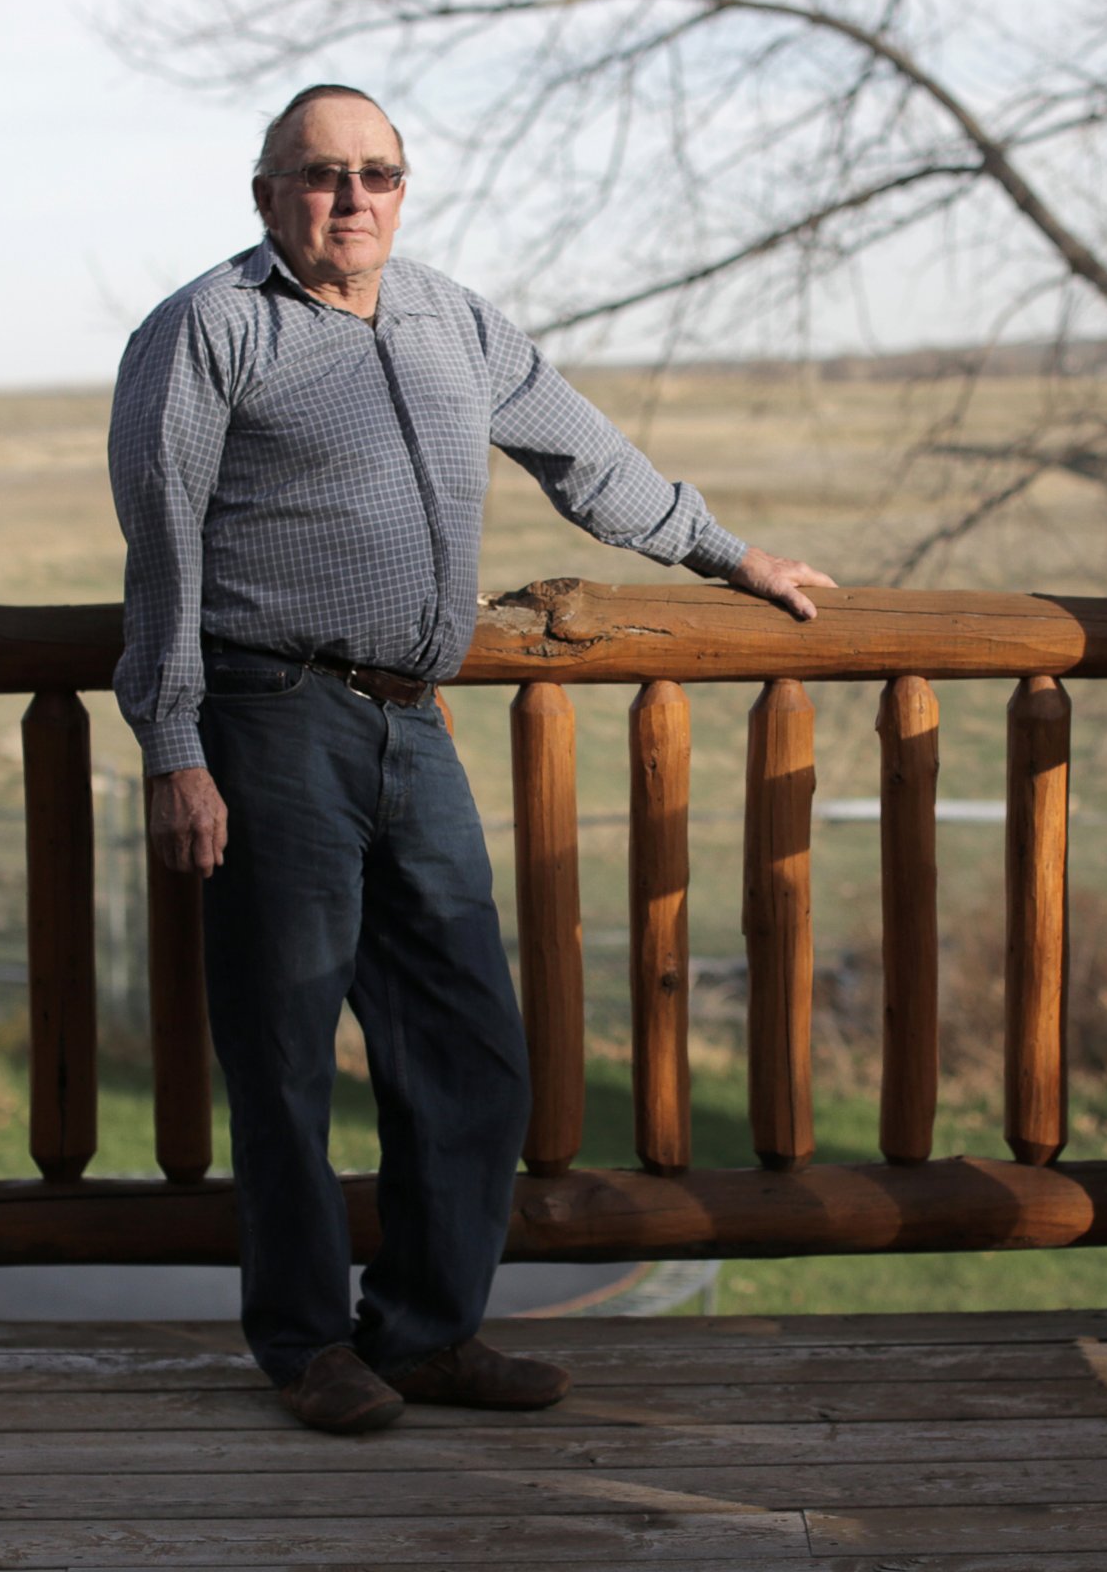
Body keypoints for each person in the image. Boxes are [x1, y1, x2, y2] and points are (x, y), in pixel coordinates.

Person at [108, 83, 833, 1435]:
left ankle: (430, 1333)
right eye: (321, 175)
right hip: (269, 720)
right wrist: (173, 747)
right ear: (268, 193)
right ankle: (309, 1346)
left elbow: (583, 454)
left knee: (469, 1044)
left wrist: (728, 554)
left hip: (411, 723)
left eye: (378, 173)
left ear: (404, 186)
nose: (352, 198)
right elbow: (162, 547)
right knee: (281, 1051)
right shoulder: (207, 329)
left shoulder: (452, 317)